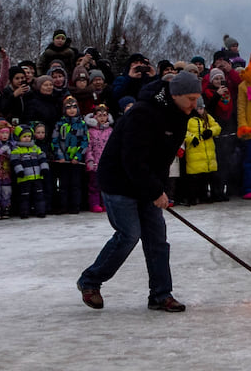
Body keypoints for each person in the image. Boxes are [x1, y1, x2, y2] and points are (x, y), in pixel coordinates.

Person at [77, 71, 200, 313]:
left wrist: (160, 188)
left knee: (157, 239)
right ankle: (90, 281)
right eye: (191, 98)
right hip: (118, 181)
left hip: (146, 182)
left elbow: (163, 158)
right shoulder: (143, 113)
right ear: (175, 95)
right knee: (129, 234)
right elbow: (133, 159)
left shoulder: (181, 114)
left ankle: (160, 294)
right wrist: (155, 191)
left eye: (197, 98)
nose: (195, 104)